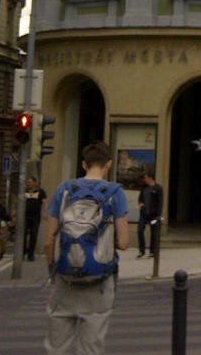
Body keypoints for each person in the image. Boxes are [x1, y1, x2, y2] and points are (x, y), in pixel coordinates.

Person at [44, 141, 130, 354]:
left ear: (84, 164)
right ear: (108, 164)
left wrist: (53, 270)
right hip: (99, 281)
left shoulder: (64, 190)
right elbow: (124, 242)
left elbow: (48, 241)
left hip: (65, 280)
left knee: (57, 346)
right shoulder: (115, 193)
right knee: (91, 346)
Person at [136, 171, 163, 258]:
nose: (144, 180)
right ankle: (142, 251)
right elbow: (140, 198)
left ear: (150, 178)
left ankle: (152, 251)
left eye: (145, 178)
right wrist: (140, 203)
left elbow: (160, 202)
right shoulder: (144, 188)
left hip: (153, 215)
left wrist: (159, 214)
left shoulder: (158, 188)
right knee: (140, 230)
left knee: (154, 232)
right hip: (144, 214)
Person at [23, 176, 48, 261]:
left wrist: (45, 212)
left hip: (35, 216)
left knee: (33, 235)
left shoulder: (40, 191)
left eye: (30, 182)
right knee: (23, 234)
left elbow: (45, 202)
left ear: (35, 183)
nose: (28, 184)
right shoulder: (25, 191)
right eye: (27, 182)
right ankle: (22, 252)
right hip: (25, 216)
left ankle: (31, 254)